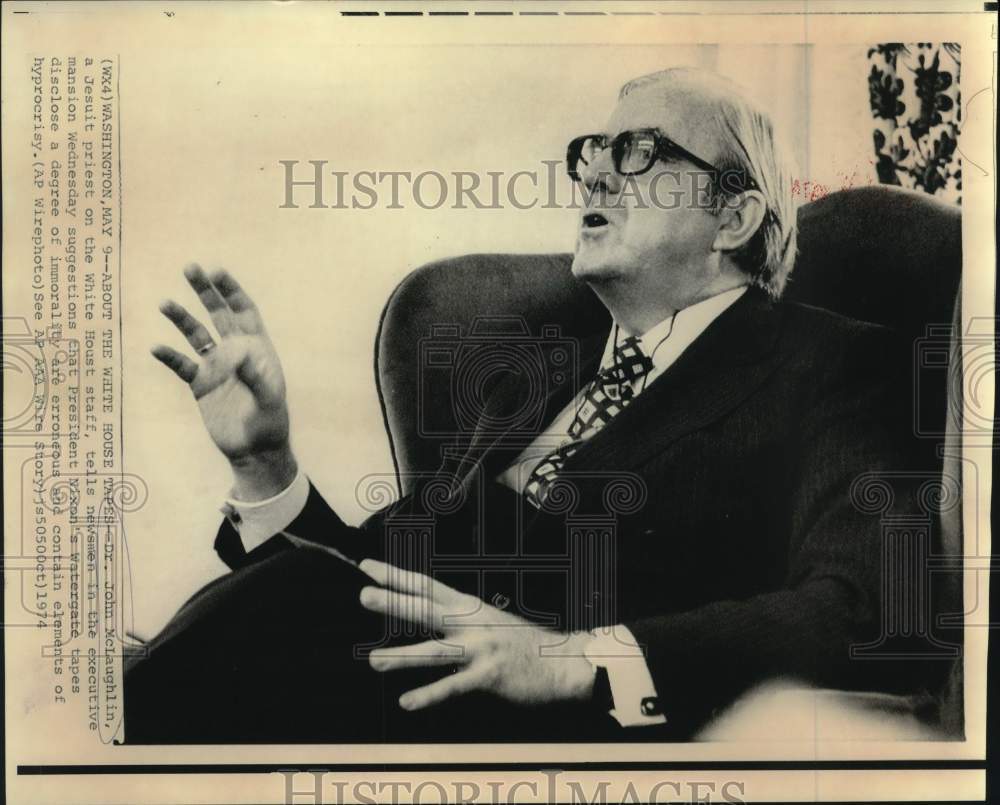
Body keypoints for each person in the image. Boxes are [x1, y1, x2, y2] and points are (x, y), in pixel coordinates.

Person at [125, 67, 944, 743]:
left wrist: (582, 660)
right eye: (592, 151)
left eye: (638, 150)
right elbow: (369, 579)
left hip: (563, 733)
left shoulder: (836, 360)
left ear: (731, 215)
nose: (592, 171)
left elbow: (867, 608)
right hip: (385, 692)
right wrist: (264, 463)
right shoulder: (532, 378)